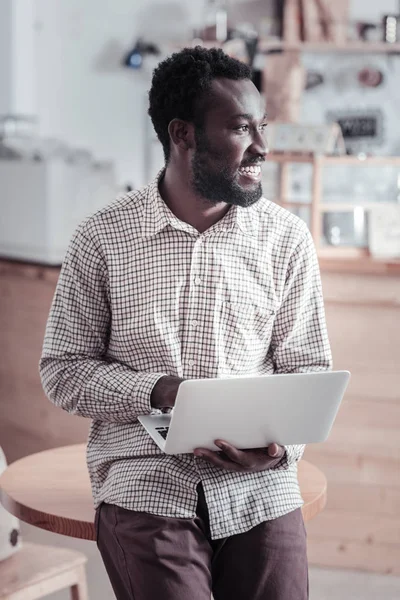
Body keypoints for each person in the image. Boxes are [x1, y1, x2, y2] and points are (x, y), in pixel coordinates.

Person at [39, 46, 332, 600]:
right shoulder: (101, 239)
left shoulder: (286, 240)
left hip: (260, 487)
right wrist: (160, 391)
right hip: (144, 479)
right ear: (184, 134)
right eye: (241, 128)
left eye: (261, 127)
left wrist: (276, 450)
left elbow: (309, 370)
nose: (262, 148)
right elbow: (63, 371)